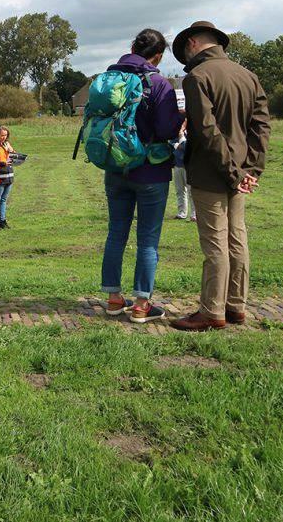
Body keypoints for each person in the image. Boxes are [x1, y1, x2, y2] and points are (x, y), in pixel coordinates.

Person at [170, 21, 271, 332]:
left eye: (184, 51)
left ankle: (211, 311)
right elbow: (261, 127)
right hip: (240, 173)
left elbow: (207, 130)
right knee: (237, 239)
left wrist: (231, 173)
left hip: (212, 172)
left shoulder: (197, 77)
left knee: (216, 244)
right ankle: (236, 306)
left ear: (192, 44)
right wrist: (251, 170)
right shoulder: (248, 75)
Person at [99, 29, 184, 324]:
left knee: (116, 234)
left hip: (115, 169)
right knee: (147, 240)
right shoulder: (160, 84)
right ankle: (140, 306)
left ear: (132, 47)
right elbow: (165, 130)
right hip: (151, 172)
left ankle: (112, 300)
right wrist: (180, 120)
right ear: (158, 56)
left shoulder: (109, 80)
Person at [172, 124, 196, 221]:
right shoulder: (175, 134)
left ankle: (194, 214)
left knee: (192, 192)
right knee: (180, 191)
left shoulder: (192, 133)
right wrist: (176, 145)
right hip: (178, 165)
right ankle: (182, 213)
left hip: (189, 167)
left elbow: (188, 148)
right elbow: (170, 143)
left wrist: (181, 140)